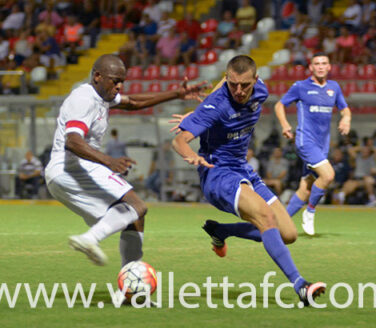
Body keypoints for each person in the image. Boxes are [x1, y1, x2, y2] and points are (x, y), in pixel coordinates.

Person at [44, 54, 207, 303]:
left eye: (122, 81)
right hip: (72, 167)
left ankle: (131, 292)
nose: (119, 86)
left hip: (68, 173)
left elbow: (133, 103)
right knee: (136, 205)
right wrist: (109, 161)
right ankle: (89, 239)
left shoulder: (101, 97)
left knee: (134, 218)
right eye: (115, 81)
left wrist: (176, 94)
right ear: (97, 76)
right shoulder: (83, 99)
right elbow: (73, 141)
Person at [171, 55, 325, 306]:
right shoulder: (216, 106)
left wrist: (199, 110)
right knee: (265, 216)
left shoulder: (261, 91)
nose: (239, 90)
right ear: (227, 80)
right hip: (217, 173)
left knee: (288, 234)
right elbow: (178, 141)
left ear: (256, 80)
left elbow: (230, 83)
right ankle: (301, 286)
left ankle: (223, 230)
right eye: (233, 84)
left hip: (243, 169)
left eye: (244, 84)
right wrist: (192, 155)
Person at [274, 52, 352, 236]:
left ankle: (276, 226)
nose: (321, 66)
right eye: (317, 63)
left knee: (306, 188)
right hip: (305, 141)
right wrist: (285, 125)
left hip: (322, 145)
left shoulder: (334, 87)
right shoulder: (300, 86)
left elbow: (345, 109)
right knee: (328, 175)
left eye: (324, 63)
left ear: (329, 66)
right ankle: (310, 212)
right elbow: (279, 105)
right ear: (311, 67)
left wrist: (346, 119)